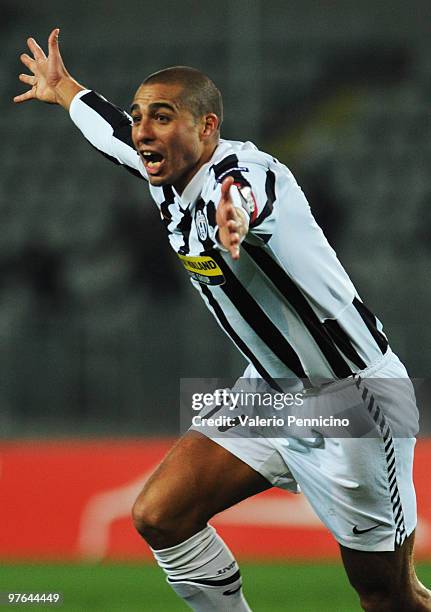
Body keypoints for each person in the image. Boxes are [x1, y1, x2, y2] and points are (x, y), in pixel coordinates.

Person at [14, 29, 430, 612]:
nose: (143, 131)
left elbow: (243, 191)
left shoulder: (249, 172)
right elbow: (112, 134)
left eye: (162, 117)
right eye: (140, 117)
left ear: (206, 127)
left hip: (354, 400)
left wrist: (234, 215)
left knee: (388, 596)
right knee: (161, 515)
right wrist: (65, 91)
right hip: (272, 391)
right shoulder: (166, 174)